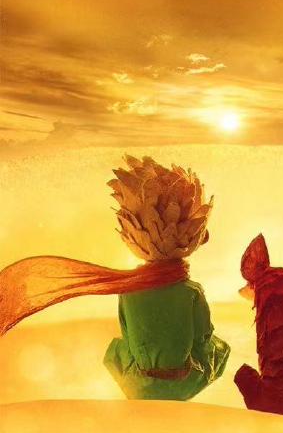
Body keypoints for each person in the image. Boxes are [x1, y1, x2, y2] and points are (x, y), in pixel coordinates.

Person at [0, 155, 230, 401]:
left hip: (139, 384)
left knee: (117, 349)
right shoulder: (191, 291)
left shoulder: (129, 290)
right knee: (219, 349)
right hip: (184, 382)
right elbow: (203, 335)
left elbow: (128, 337)